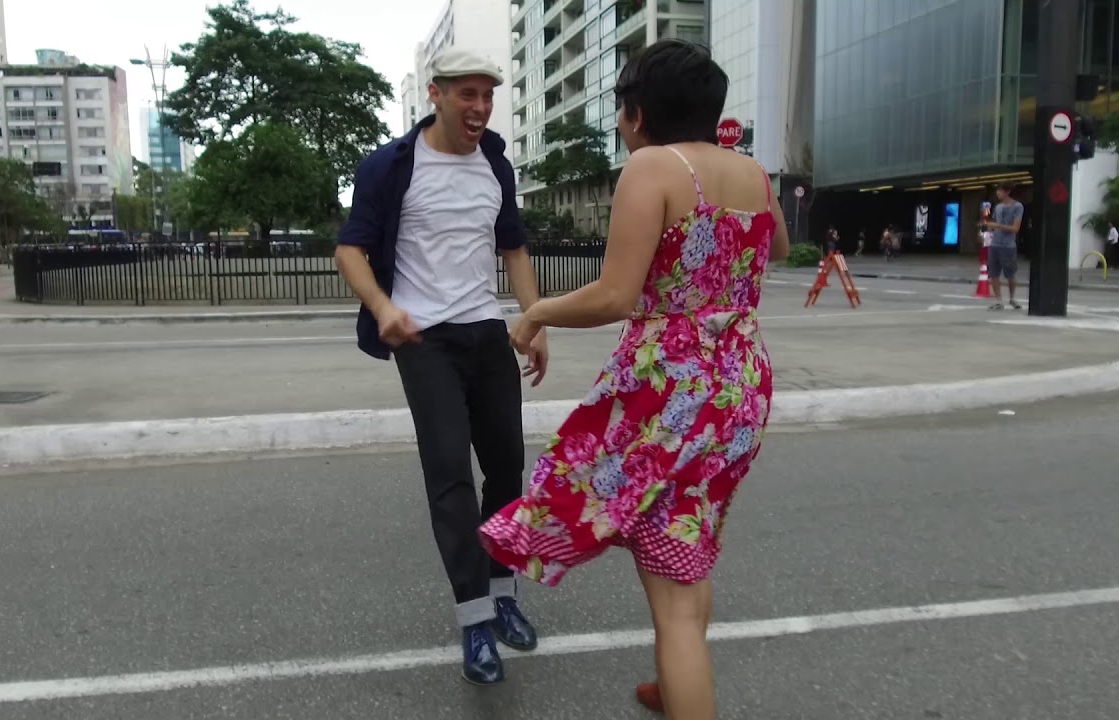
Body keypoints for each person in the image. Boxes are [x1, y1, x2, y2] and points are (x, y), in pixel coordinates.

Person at [479, 40, 789, 718]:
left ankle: (684, 681)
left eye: (622, 111)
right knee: (691, 540)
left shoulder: (652, 167)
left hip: (672, 393)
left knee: (675, 600)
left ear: (638, 113)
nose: (622, 125)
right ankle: (673, 680)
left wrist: (537, 311)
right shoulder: (753, 172)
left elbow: (616, 296)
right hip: (741, 382)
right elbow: (781, 247)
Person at [334, 47, 547, 686]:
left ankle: (503, 590)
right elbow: (350, 251)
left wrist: (532, 319)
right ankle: (474, 616)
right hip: (424, 339)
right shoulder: (392, 167)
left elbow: (513, 249)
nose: (480, 107)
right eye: (467, 95)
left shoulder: (495, 165)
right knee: (450, 472)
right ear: (437, 94)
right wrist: (383, 308)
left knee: (508, 463)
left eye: (488, 95)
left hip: (486, 333)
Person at [983, 184, 1023, 310]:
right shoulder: (998, 207)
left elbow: (1015, 228)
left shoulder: (1017, 206)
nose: (998, 194)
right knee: (993, 273)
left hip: (1008, 245)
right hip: (995, 244)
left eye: (1000, 191)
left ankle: (1012, 298)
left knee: (1010, 273)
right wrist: (988, 230)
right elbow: (994, 223)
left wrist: (998, 226)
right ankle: (998, 300)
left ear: (1007, 192)